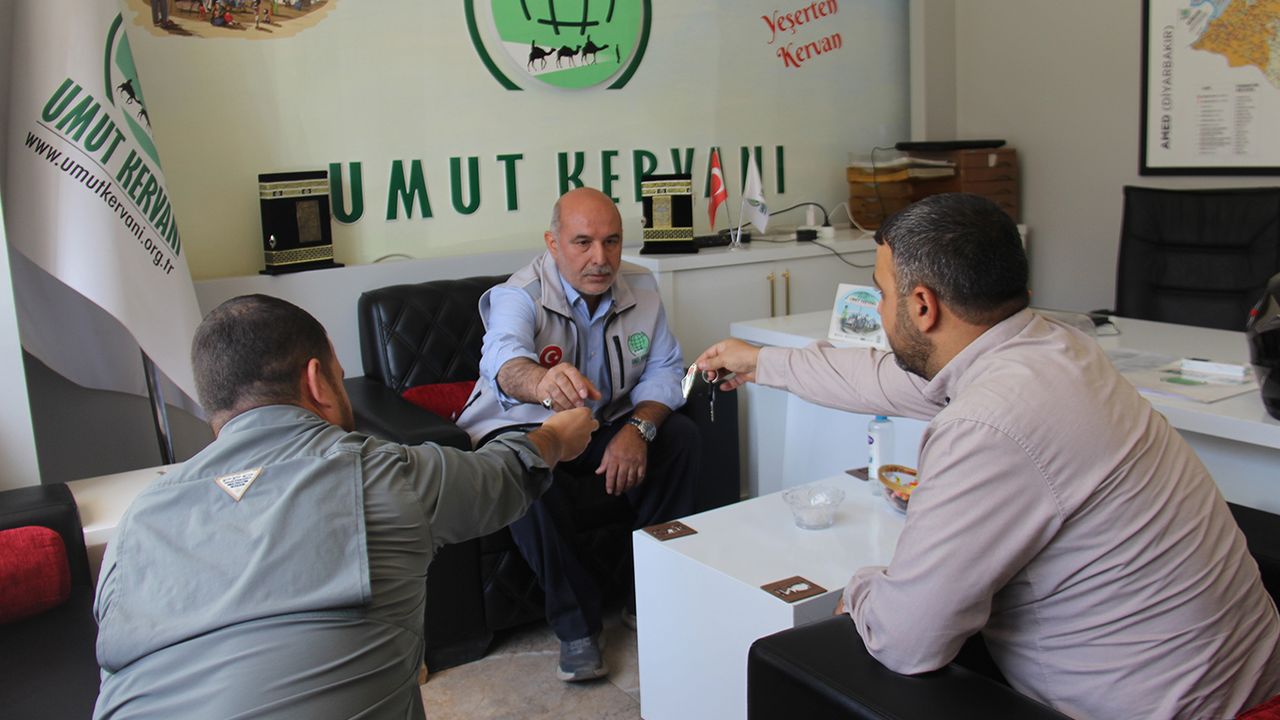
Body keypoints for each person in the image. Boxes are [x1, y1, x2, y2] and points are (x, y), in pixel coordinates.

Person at [695, 193, 1280, 719]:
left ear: (922, 305)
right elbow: (887, 379)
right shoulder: (1054, 346)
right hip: (1248, 675)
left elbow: (905, 641)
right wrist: (762, 362)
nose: (878, 309)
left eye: (882, 293)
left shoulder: (987, 423)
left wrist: (862, 588)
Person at [92, 294, 597, 719]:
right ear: (317, 380)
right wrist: (554, 437)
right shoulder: (378, 475)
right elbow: (501, 477)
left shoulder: (136, 522)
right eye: (339, 373)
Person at [456, 187, 698, 682]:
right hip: (528, 426)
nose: (600, 258)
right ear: (553, 243)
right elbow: (504, 360)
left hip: (603, 423)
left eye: (612, 241)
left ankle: (648, 594)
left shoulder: (642, 286)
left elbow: (665, 370)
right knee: (524, 466)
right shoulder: (519, 294)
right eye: (583, 242)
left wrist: (638, 429)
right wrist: (541, 382)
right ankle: (578, 628)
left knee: (683, 438)